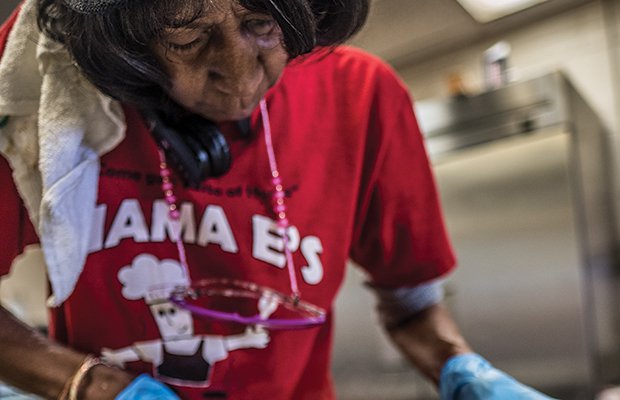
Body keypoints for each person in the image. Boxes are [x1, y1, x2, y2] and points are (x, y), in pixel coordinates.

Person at [0, 0, 556, 399]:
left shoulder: (362, 98)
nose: (241, 80)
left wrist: (464, 368)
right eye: (187, 38)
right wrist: (92, 386)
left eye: (263, 23)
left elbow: (412, 307)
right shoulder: (43, 93)